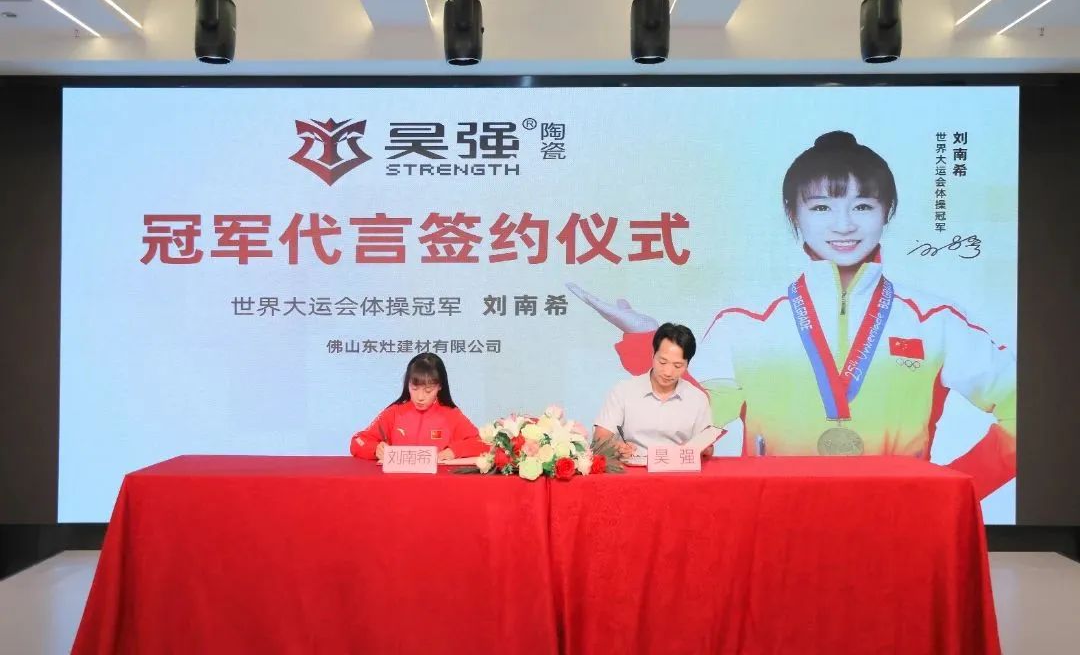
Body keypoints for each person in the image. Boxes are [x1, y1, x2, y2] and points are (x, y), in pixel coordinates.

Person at [570, 131, 1015, 500]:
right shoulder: (747, 323)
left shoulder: (933, 321)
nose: (843, 224)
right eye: (821, 207)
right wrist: (648, 340)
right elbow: (695, 417)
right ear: (793, 213)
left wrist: (953, 490)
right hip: (771, 519)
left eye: (863, 206)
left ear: (888, 212)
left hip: (894, 521)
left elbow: (1021, 408)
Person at [593, 322, 719, 461]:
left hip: (677, 470)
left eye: (677, 365)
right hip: (632, 468)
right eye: (663, 362)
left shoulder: (697, 398)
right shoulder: (623, 391)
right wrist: (617, 447)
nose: (668, 372)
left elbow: (707, 447)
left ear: (687, 364)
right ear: (653, 355)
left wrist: (703, 448)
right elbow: (600, 439)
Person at [349, 353, 486, 461]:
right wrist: (375, 449)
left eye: (428, 390)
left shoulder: (452, 415)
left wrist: (453, 451)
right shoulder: (394, 412)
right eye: (414, 388)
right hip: (397, 483)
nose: (420, 397)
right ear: (407, 384)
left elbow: (482, 443)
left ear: (440, 386)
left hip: (438, 484)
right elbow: (358, 441)